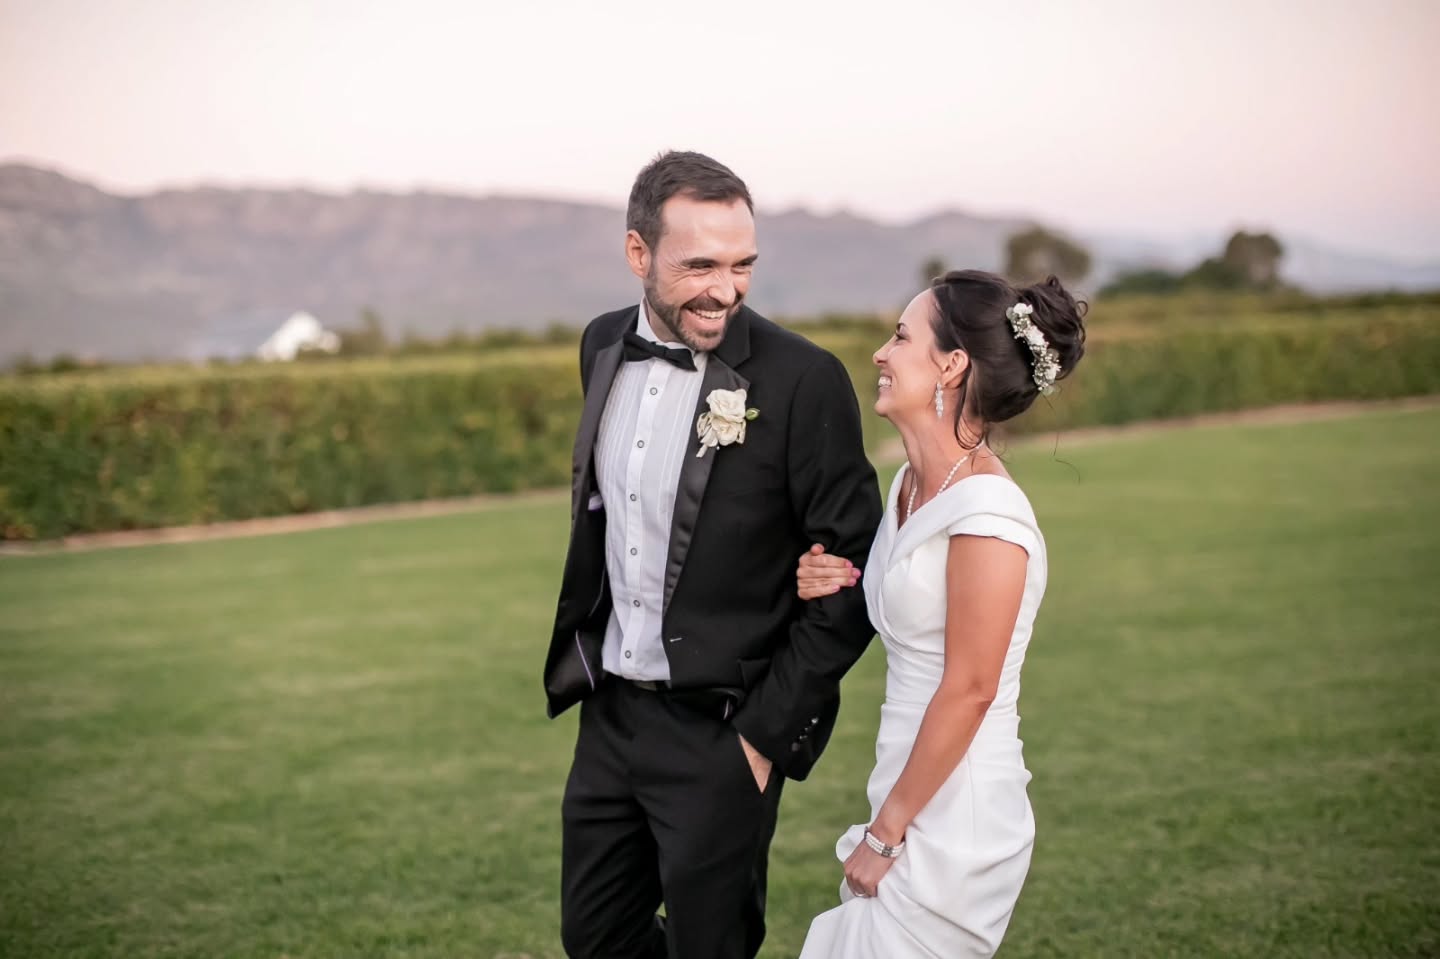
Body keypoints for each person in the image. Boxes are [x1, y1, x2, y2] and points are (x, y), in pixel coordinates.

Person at [542, 150, 882, 959]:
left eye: (741, 265)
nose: (724, 289)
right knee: (595, 938)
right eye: (699, 265)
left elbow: (856, 570)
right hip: (610, 716)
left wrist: (764, 736)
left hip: (724, 729)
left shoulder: (803, 380)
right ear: (638, 254)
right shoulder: (599, 347)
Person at [793, 270, 1087, 958]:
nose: (880, 353)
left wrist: (885, 832)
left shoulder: (988, 514)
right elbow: (910, 594)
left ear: (951, 364)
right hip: (904, 786)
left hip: (955, 815)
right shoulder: (909, 486)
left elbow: (970, 686)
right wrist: (833, 576)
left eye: (901, 336)